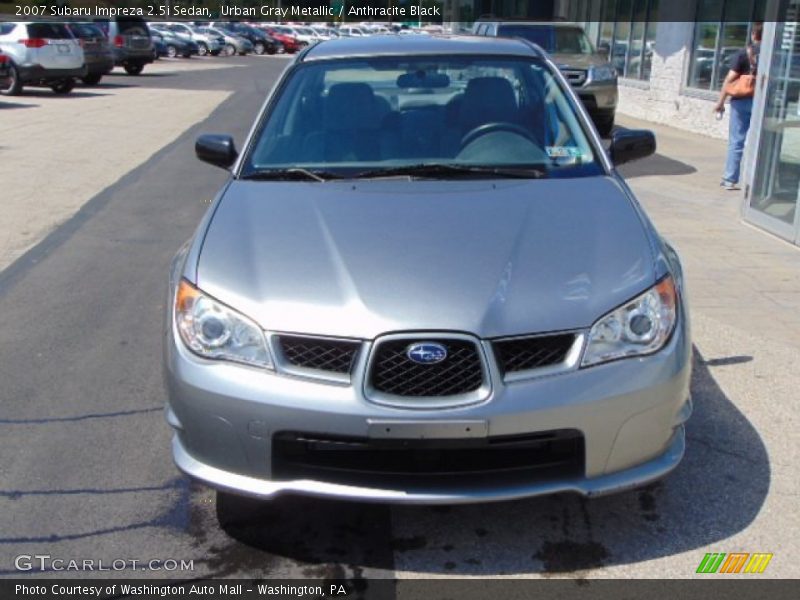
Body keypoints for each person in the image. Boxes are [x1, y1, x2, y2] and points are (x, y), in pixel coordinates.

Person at [714, 22, 763, 190]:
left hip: (741, 102)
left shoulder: (743, 54)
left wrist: (720, 102)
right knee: (760, 143)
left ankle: (730, 179)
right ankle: (758, 182)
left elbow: (730, 79)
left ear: (753, 35)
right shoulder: (774, 54)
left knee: (737, 141)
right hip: (762, 103)